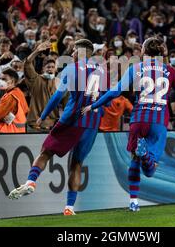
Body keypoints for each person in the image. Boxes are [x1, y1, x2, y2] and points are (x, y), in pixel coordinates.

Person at [82, 37, 175, 212]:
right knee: (150, 171)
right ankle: (146, 156)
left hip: (138, 119)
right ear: (162, 52)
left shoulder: (135, 68)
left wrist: (94, 104)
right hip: (158, 121)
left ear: (143, 51)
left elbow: (115, 91)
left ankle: (133, 201)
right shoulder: (171, 71)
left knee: (134, 159)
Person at [8, 39, 105, 217]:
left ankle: (31, 182)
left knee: (45, 152)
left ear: (80, 52)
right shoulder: (101, 71)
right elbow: (104, 99)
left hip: (72, 119)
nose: (73, 53)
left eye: (74, 50)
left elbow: (57, 97)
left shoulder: (70, 69)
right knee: (76, 164)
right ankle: (69, 208)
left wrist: (43, 116)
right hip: (92, 123)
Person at [0, 68, 28, 133]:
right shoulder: (19, 93)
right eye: (0, 79)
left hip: (8, 132)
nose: (0, 81)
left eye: (4, 79)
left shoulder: (10, 96)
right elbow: (26, 110)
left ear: (12, 81)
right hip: (19, 131)